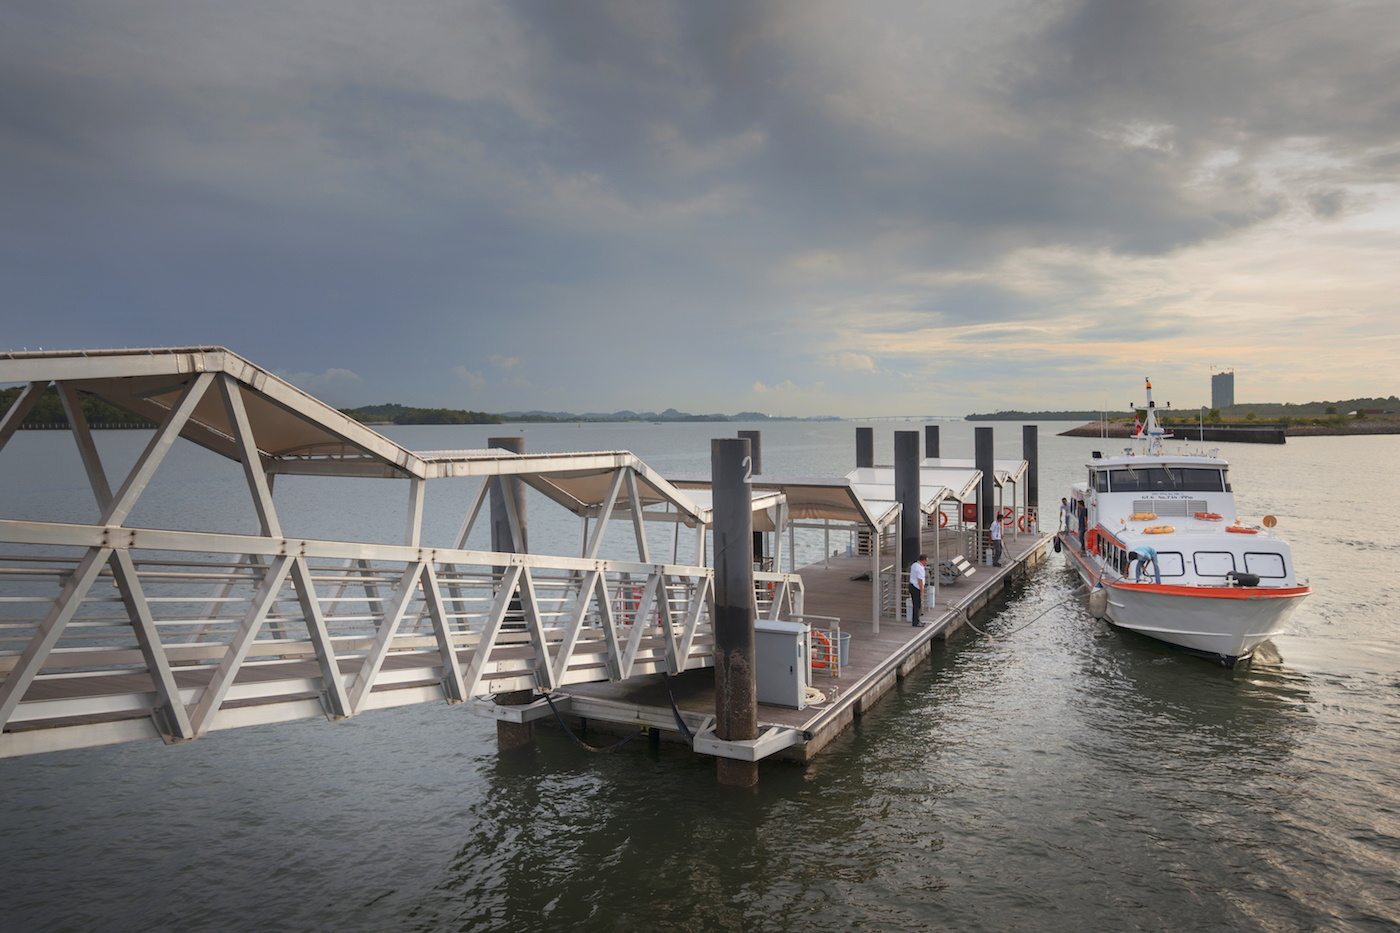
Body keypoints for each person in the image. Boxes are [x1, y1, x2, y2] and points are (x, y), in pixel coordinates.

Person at [909, 554, 929, 627]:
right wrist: (921, 591)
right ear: (923, 560)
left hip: (911, 585)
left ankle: (916, 620)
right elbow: (920, 580)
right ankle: (916, 622)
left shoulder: (914, 564)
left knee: (915, 604)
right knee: (917, 605)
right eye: (926, 561)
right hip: (916, 587)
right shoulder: (920, 568)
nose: (926, 563)